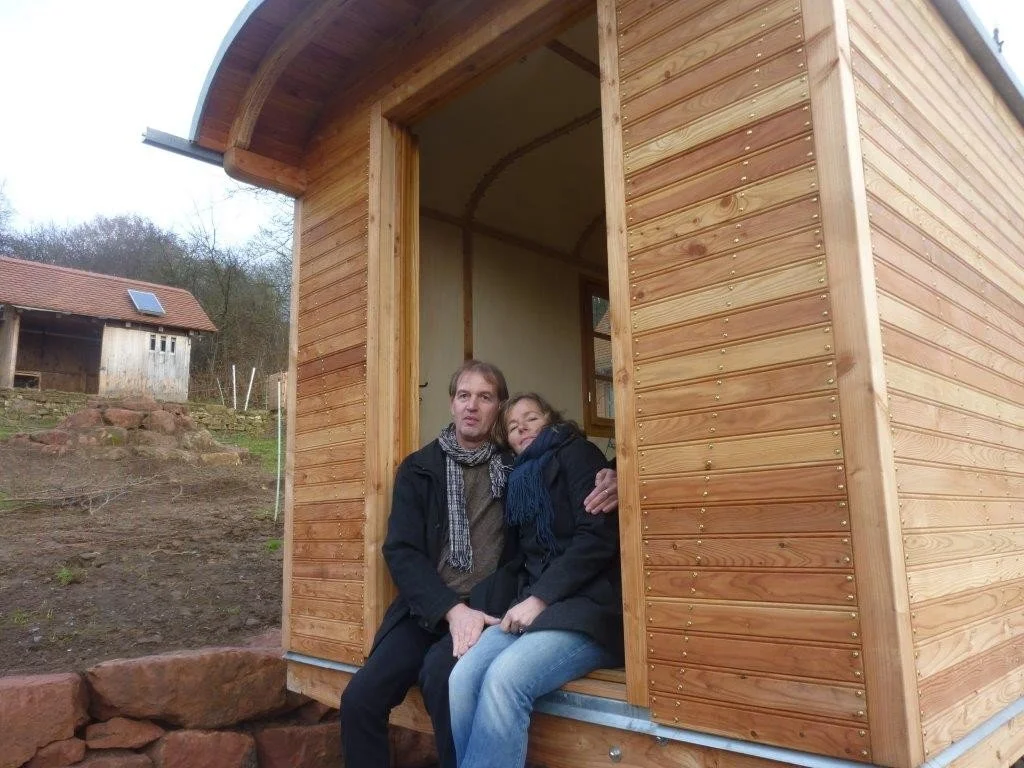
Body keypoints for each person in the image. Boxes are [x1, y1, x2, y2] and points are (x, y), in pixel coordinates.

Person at [339, 361, 617, 767]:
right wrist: (451, 611)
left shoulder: (518, 466)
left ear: (497, 409)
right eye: (463, 396)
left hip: (490, 607)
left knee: (445, 679)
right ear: (452, 404)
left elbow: (573, 464)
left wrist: (616, 474)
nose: (472, 406)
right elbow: (401, 551)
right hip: (430, 607)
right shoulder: (419, 468)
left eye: (485, 397)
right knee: (360, 700)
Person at [448, 392, 623, 768]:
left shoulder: (578, 454)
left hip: (588, 610)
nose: (522, 429)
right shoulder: (519, 480)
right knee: (462, 677)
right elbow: (518, 559)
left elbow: (597, 539)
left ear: (550, 419)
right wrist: (481, 608)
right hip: (536, 608)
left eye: (531, 418)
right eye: (513, 426)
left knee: (505, 678)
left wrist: (539, 598)